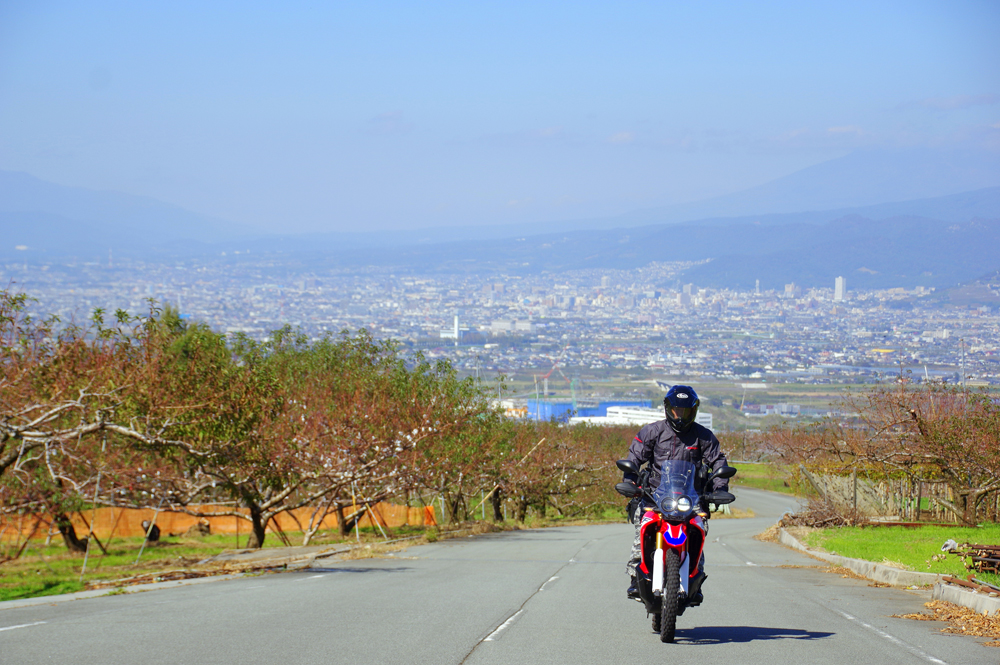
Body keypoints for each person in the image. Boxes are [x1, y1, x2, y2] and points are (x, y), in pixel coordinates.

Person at [622, 385, 730, 603]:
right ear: (668, 409)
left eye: (686, 411)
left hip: (691, 499)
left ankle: (695, 580)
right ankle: (635, 578)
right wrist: (630, 482)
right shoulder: (652, 432)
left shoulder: (704, 436)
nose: (680, 415)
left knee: (698, 534)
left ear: (694, 411)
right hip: (655, 496)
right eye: (677, 410)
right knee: (640, 535)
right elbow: (634, 458)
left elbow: (719, 462)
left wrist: (719, 489)